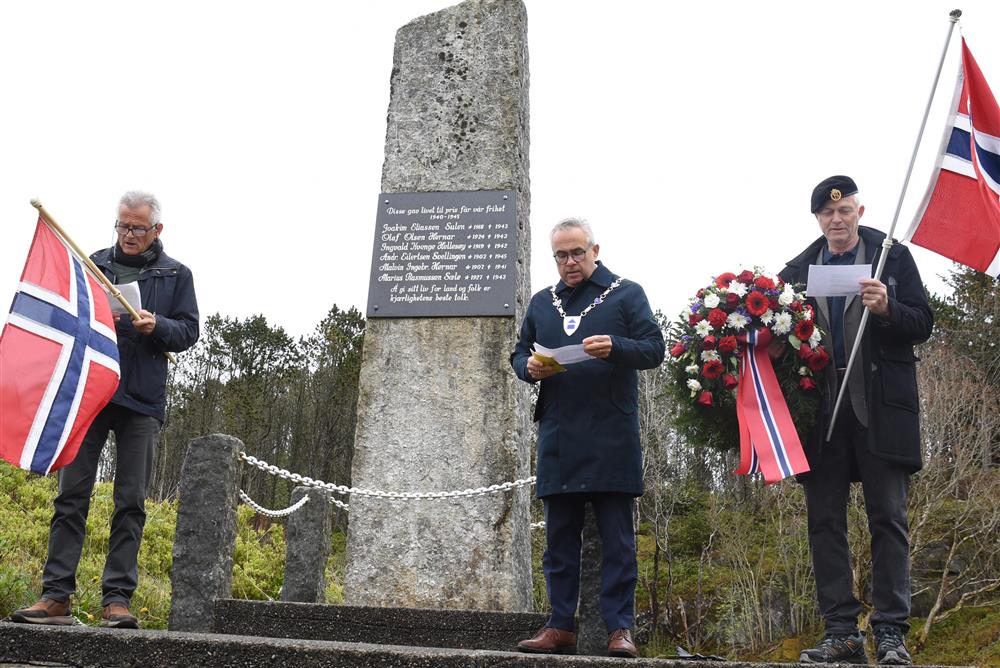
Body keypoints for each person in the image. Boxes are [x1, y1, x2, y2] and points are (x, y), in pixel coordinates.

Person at [10, 191, 199, 629]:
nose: (128, 235)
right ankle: (56, 597)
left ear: (157, 231)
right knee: (71, 495)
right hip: (91, 395)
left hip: (142, 403)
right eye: (122, 225)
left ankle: (117, 601)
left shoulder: (177, 275)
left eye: (137, 228)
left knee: (130, 502)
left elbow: (189, 330)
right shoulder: (92, 263)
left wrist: (158, 326)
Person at [779, 176, 933, 665]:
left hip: (880, 410)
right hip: (819, 411)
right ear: (818, 219)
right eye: (827, 213)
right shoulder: (798, 270)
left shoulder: (894, 257)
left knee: (888, 518)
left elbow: (923, 323)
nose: (836, 219)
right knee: (824, 522)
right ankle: (842, 632)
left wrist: (887, 307)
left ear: (859, 213)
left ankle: (890, 632)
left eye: (844, 212)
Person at [510, 217, 665, 658]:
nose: (570, 262)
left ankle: (620, 629)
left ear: (596, 250)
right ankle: (561, 626)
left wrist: (616, 346)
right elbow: (520, 353)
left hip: (612, 433)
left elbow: (655, 348)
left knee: (618, 540)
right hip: (559, 434)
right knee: (559, 539)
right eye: (561, 255)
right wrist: (529, 368)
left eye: (577, 252)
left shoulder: (627, 294)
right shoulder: (543, 303)